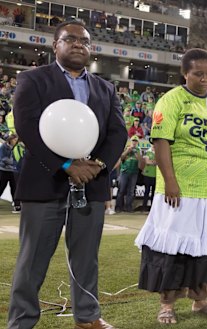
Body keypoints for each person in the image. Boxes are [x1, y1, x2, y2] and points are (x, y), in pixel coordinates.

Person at [8, 21, 127, 329]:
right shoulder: (32, 79)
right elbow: (27, 127)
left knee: (87, 258)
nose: (78, 44)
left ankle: (87, 318)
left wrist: (97, 165)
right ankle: (22, 321)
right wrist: (66, 165)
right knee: (33, 259)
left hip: (92, 182)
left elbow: (117, 133)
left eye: (84, 41)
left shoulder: (105, 88)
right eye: (70, 39)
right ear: (55, 45)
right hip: (46, 181)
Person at [134, 48, 207, 324]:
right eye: (199, 73)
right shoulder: (172, 100)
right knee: (172, 246)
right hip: (181, 186)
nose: (205, 78)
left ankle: (200, 299)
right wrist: (170, 182)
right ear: (185, 74)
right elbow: (161, 142)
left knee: (206, 246)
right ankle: (167, 304)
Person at [115, 136, 142, 212]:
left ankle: (128, 207)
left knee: (131, 191)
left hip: (134, 172)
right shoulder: (126, 148)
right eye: (133, 141)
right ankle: (118, 207)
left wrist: (137, 155)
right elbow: (121, 158)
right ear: (130, 141)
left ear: (137, 142)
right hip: (124, 171)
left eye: (136, 141)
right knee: (121, 190)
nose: (134, 142)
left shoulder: (138, 150)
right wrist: (127, 151)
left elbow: (141, 161)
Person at [0, 134, 20, 213]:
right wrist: (14, 162)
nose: (16, 141)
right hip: (3, 171)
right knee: (1, 187)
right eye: (14, 140)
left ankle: (17, 205)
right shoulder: (3, 147)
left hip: (13, 171)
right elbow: (3, 158)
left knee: (15, 189)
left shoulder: (17, 147)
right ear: (10, 140)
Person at [141, 143, 156, 211]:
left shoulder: (158, 152)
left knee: (154, 193)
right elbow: (147, 162)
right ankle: (144, 207)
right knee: (146, 191)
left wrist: (152, 162)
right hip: (147, 174)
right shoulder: (148, 152)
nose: (154, 145)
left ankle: (152, 208)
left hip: (155, 175)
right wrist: (154, 162)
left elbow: (158, 162)